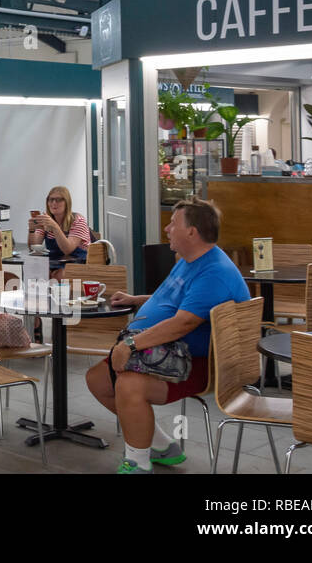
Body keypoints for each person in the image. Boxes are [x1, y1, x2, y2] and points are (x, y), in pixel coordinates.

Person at [84, 196, 250, 474]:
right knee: (98, 380)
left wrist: (131, 344)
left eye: (173, 224)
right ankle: (162, 445)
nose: (167, 229)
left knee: (128, 385)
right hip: (169, 351)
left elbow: (183, 323)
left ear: (192, 232)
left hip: (197, 364)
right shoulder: (190, 259)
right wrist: (137, 300)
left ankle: (138, 461)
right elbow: (177, 301)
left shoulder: (215, 272)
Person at [28, 185, 91, 271]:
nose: (53, 203)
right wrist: (31, 230)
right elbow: (33, 247)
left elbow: (67, 250)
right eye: (51, 199)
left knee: (57, 276)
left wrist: (55, 227)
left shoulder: (78, 221)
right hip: (55, 263)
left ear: (67, 202)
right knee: (35, 273)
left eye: (58, 200)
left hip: (79, 265)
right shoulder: (46, 220)